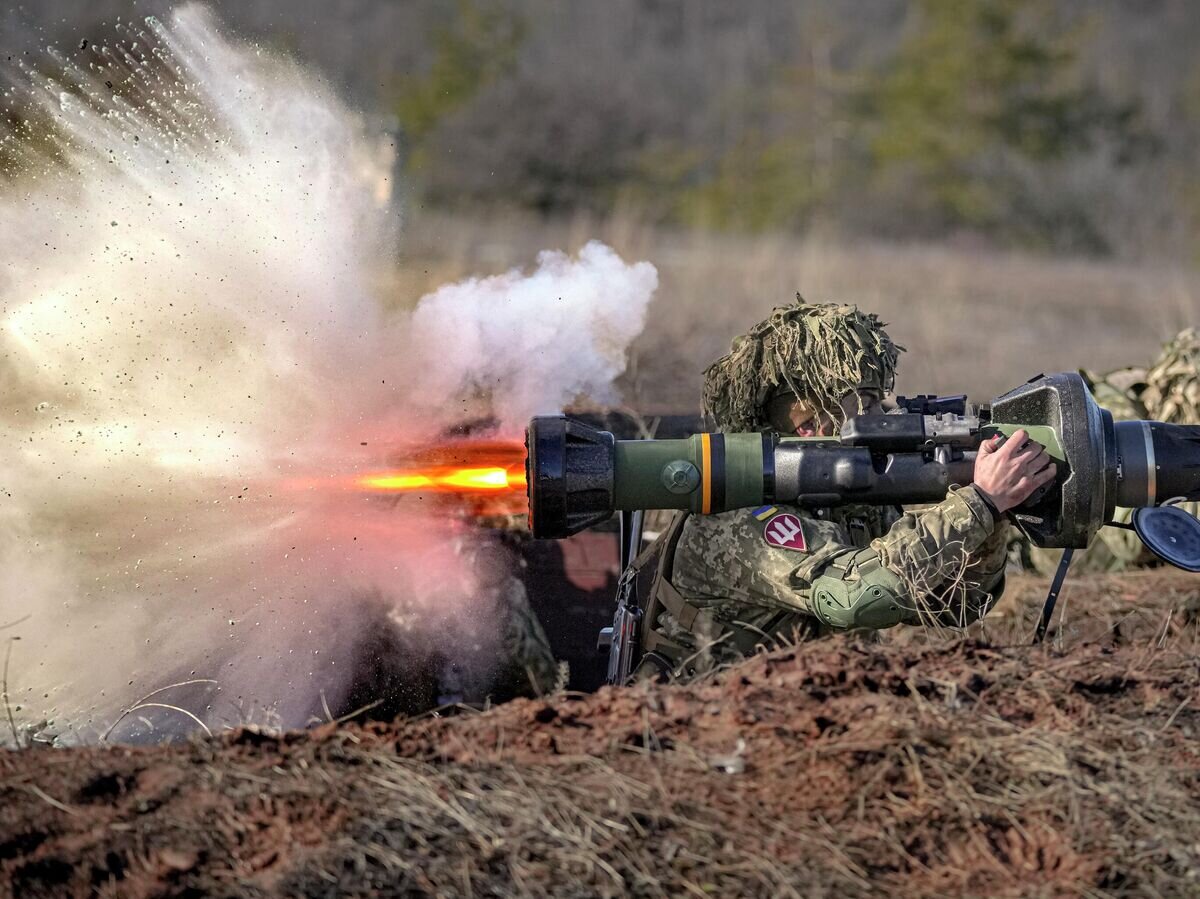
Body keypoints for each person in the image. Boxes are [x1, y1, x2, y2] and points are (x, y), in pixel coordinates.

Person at [629, 300, 1056, 682]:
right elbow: (854, 597)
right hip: (696, 729)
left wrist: (993, 514)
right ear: (808, 422)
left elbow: (955, 605)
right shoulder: (739, 515)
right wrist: (977, 503)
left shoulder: (848, 502)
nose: (881, 415)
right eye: (863, 402)